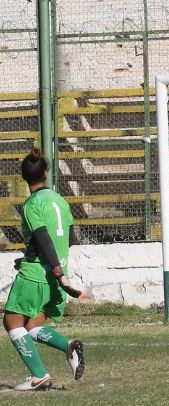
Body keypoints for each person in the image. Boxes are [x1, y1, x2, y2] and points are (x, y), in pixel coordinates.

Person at [4, 148, 85, 391]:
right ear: (47, 174)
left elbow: (43, 238)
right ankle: (69, 346)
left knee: (11, 321)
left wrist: (57, 272)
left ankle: (40, 376)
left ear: (24, 177)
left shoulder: (32, 204)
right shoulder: (61, 201)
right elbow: (68, 239)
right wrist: (57, 271)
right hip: (54, 278)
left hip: (39, 275)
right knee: (31, 326)